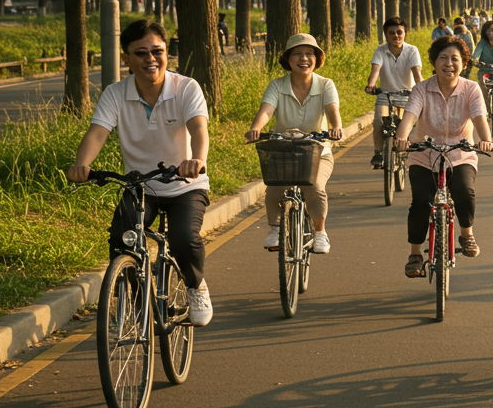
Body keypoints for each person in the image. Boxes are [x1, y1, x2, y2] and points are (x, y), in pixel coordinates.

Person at [67, 19, 213, 326]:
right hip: (140, 187)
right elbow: (97, 133)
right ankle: (135, 300)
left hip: (185, 184)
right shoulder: (115, 93)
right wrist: (82, 164)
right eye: (141, 53)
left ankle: (195, 285)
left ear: (166, 53)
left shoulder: (186, 87)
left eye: (157, 51)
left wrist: (197, 159)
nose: (151, 59)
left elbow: (199, 128)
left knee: (184, 238)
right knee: (121, 238)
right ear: (126, 58)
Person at [393, 35, 493, 277]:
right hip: (424, 155)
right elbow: (409, 117)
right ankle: (415, 254)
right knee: (421, 201)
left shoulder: (471, 89)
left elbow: (479, 118)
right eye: (443, 58)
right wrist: (401, 138)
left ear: (463, 63)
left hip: (460, 154)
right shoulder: (421, 89)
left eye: (455, 59)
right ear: (434, 62)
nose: (449, 63)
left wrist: (485, 140)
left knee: (464, 191)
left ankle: (466, 234)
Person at [245, 34, 345, 254]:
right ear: (288, 59)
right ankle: (275, 228)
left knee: (314, 186)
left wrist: (336, 127)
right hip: (284, 152)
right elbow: (266, 111)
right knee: (274, 187)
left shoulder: (326, 84)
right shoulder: (277, 85)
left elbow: (332, 110)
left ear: (316, 59)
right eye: (297, 54)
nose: (304, 58)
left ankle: (320, 232)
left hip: (318, 151)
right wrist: (256, 128)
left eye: (309, 54)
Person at [365, 16, 423, 169]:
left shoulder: (412, 50)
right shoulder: (380, 51)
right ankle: (378, 152)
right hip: (385, 94)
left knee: (409, 125)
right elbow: (375, 70)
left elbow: (417, 74)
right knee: (378, 121)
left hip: (408, 96)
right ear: (386, 34)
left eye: (399, 32)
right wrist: (371, 85)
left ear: (405, 34)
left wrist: (422, 89)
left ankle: (408, 151)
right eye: (392, 33)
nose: (396, 36)